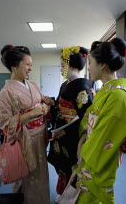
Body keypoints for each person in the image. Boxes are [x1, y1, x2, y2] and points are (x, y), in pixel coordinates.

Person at [74, 38, 126, 204]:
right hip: (90, 150)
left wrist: (84, 152)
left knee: (94, 198)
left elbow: (105, 137)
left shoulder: (118, 96)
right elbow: (90, 123)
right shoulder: (105, 91)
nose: (89, 68)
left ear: (102, 65)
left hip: (99, 159)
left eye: (90, 62)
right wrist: (83, 140)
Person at [0, 45, 54, 204]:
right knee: (25, 175)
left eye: (31, 64)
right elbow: (5, 125)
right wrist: (31, 114)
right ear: (14, 66)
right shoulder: (6, 93)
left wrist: (47, 104)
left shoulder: (34, 85)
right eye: (27, 64)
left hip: (40, 136)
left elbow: (43, 101)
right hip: (24, 140)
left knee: (41, 174)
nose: (30, 68)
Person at [47, 46, 93, 195]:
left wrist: (65, 130)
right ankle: (64, 194)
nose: (61, 69)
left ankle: (71, 196)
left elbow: (85, 118)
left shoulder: (83, 88)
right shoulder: (65, 84)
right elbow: (61, 107)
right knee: (61, 166)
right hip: (60, 131)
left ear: (72, 66)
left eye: (62, 66)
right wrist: (53, 104)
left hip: (72, 136)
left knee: (71, 167)